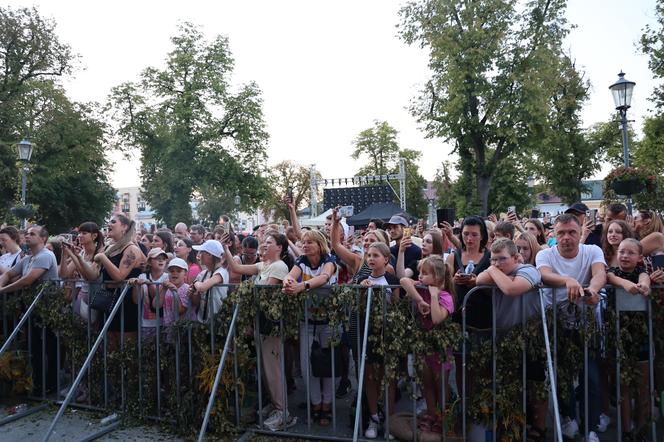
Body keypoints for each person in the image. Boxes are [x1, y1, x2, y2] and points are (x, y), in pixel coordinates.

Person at [535, 213, 606, 441]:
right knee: (562, 376)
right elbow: (544, 275)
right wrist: (568, 280)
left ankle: (590, 427)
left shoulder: (592, 251)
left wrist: (593, 290)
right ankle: (568, 418)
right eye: (561, 233)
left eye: (572, 232)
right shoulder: (545, 254)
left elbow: (599, 274)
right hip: (558, 324)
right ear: (554, 235)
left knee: (591, 378)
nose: (566, 237)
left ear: (579, 234)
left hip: (587, 325)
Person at [223, 232, 296, 431]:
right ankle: (275, 406)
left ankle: (283, 412)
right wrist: (226, 249)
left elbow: (263, 291)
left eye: (269, 242)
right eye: (264, 242)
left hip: (271, 324)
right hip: (259, 322)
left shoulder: (279, 266)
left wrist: (246, 295)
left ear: (279, 247)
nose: (264, 244)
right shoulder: (263, 265)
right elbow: (237, 268)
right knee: (265, 369)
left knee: (273, 370)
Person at [476, 238, 546, 439]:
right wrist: (493, 271)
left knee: (535, 382)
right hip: (505, 337)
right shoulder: (497, 272)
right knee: (509, 383)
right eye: (493, 259)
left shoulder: (529, 271)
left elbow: (512, 289)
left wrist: (492, 271)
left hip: (530, 335)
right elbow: (479, 280)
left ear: (517, 258)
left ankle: (540, 426)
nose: (497, 264)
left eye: (502, 259)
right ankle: (513, 426)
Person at [282, 229, 338, 427]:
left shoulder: (329, 260)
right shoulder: (301, 261)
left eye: (310, 242)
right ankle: (315, 403)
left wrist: (301, 287)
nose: (305, 246)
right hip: (307, 321)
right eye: (303, 243)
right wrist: (288, 282)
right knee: (308, 366)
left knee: (328, 365)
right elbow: (291, 275)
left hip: (330, 322)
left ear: (319, 245)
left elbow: (323, 278)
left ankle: (327, 404)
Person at [0, 225, 59, 393]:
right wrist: (1, 282)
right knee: (34, 346)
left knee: (48, 346)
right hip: (31, 308)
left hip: (46, 309)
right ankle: (37, 382)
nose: (27, 235)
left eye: (32, 233)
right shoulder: (27, 258)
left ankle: (51, 383)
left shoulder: (46, 256)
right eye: (26, 233)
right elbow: (9, 274)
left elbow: (27, 280)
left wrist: (2, 290)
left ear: (43, 238)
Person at [400, 255, 455, 435]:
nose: (420, 276)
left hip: (440, 348)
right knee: (427, 383)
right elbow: (403, 280)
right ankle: (431, 414)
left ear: (438, 277)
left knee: (440, 384)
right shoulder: (420, 289)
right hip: (423, 344)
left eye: (425, 274)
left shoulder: (445, 296)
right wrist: (419, 299)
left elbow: (437, 318)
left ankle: (442, 415)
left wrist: (433, 296)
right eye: (420, 273)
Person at [606, 238, 651, 439]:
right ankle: (626, 430)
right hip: (618, 336)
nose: (624, 256)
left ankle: (641, 427)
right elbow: (612, 278)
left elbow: (644, 278)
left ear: (640, 257)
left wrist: (644, 284)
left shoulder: (642, 272)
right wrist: (625, 283)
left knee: (642, 386)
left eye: (630, 253)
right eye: (622, 252)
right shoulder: (613, 272)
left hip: (640, 336)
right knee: (623, 386)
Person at [356, 242, 400, 439]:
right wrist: (363, 290)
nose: (371, 258)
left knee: (388, 379)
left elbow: (398, 306)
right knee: (370, 377)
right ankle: (373, 418)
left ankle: (389, 421)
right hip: (369, 335)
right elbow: (357, 307)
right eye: (368, 255)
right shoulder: (363, 279)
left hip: (388, 334)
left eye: (375, 255)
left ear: (386, 259)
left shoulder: (392, 279)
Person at [94, 214, 146, 341]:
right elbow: (92, 275)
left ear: (124, 227)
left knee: (126, 347)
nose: (109, 224)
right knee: (109, 344)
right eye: (109, 221)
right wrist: (76, 257)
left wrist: (102, 257)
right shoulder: (108, 248)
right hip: (107, 299)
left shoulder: (131, 249)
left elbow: (119, 276)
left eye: (113, 222)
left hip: (125, 301)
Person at [60, 222, 104, 321]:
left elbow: (90, 276)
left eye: (84, 233)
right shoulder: (81, 252)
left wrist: (74, 256)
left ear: (94, 236)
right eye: (79, 233)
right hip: (83, 297)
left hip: (97, 298)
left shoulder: (101, 252)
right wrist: (64, 254)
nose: (80, 236)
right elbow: (64, 274)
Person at [130, 247, 169, 340]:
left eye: (163, 259)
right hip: (145, 323)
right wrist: (136, 286)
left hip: (164, 323)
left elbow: (158, 301)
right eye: (157, 258)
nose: (161, 261)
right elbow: (136, 300)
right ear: (150, 262)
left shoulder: (168, 278)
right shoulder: (142, 276)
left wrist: (149, 284)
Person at [190, 240, 228, 323]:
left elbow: (202, 287)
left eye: (202, 252)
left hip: (218, 321)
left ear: (209, 254)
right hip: (202, 321)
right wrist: (192, 293)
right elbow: (196, 301)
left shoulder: (221, 272)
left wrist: (195, 282)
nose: (199, 255)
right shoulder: (202, 274)